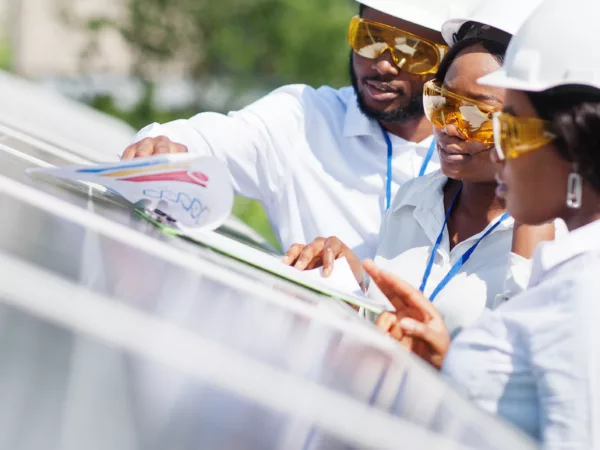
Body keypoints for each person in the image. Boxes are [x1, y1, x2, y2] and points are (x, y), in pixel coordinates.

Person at [372, 0, 600, 444]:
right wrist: (450, 364)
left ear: (573, 143)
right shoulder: (575, 272)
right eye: (444, 102)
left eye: (508, 129)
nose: (498, 152)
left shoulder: (584, 292)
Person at [119, 0, 477, 260]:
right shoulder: (304, 118)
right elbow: (201, 139)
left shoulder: (476, 159)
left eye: (413, 51)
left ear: (447, 64)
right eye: (369, 37)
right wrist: (164, 147)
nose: (383, 64)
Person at [284, 0, 554, 337]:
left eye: (476, 116)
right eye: (443, 103)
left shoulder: (555, 238)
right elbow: (384, 327)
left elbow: (518, 362)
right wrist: (352, 285)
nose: (450, 127)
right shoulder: (415, 200)